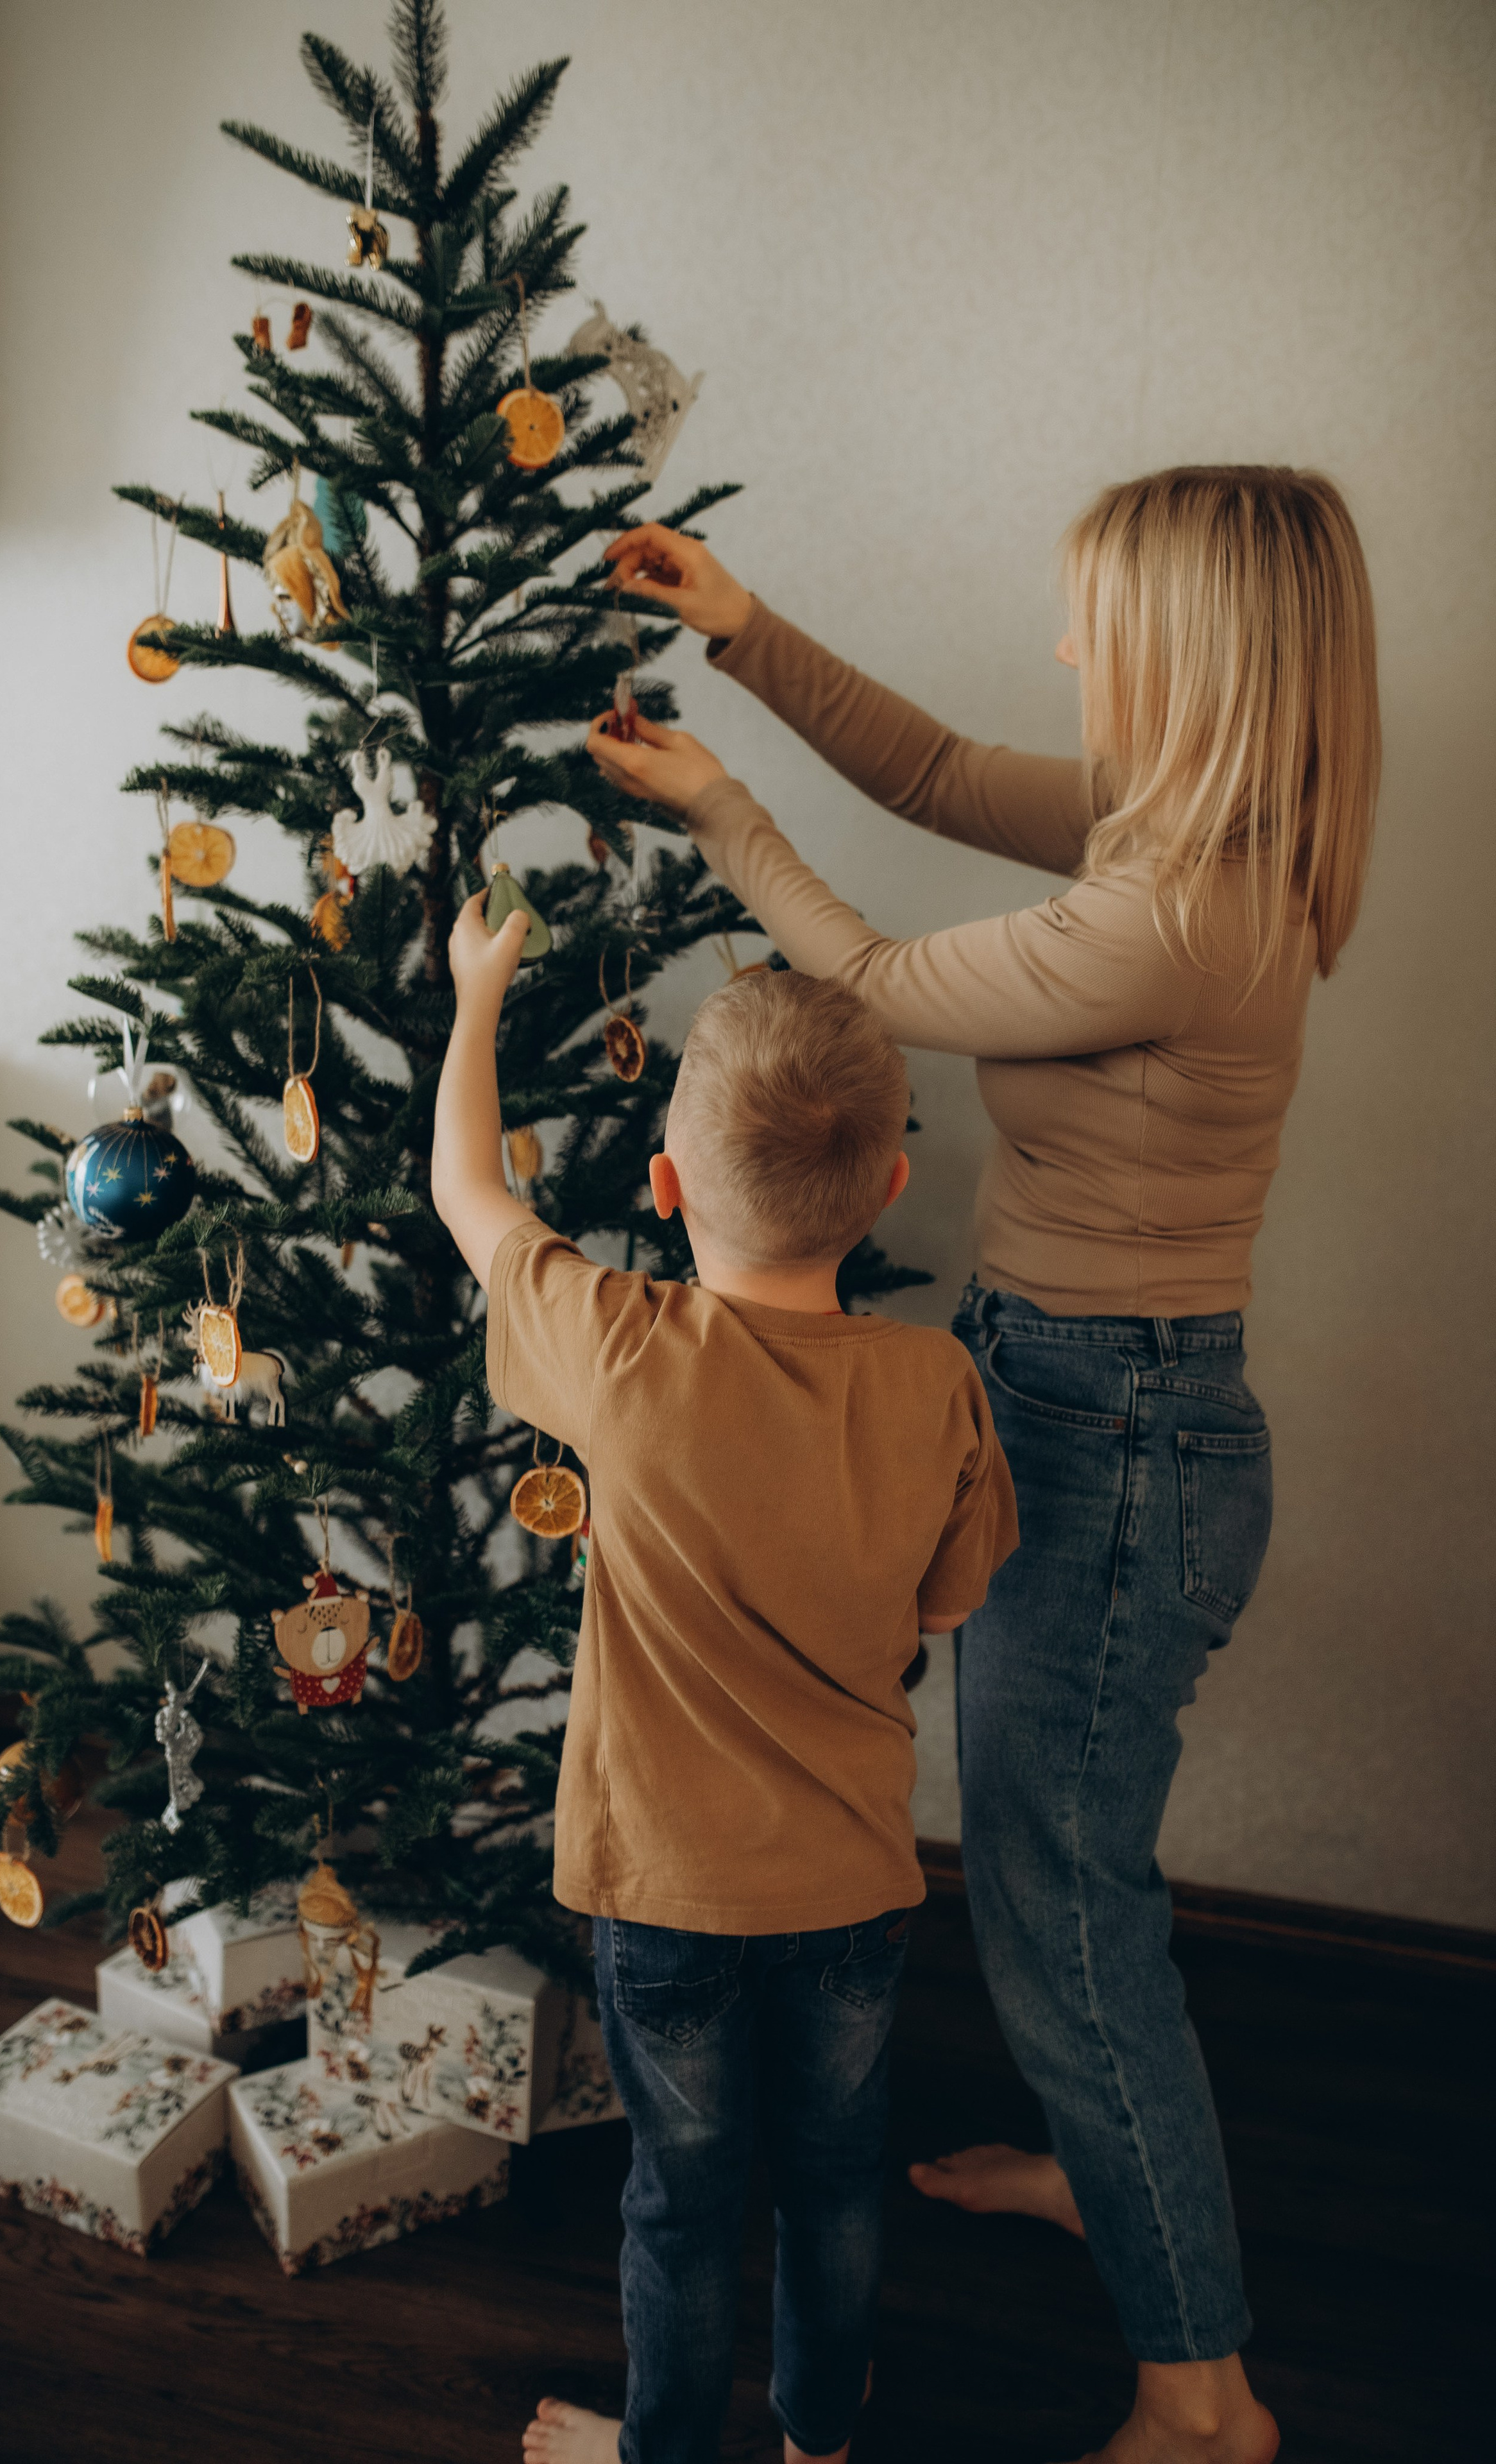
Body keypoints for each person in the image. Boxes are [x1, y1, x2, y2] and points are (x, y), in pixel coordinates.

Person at [586, 467, 1381, 2464]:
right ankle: (1092, 2156)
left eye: (1093, 614)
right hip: (1071, 1392)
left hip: (1121, 1434)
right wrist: (743, 631)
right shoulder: (1184, 822)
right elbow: (936, 767)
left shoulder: (1188, 907)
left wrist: (722, 815)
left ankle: (1201, 2393)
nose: (1063, 647)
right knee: (1057, 1882)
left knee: (1062, 1900)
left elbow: (870, 993)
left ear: (1193, 652)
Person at [431, 918, 1018, 2464]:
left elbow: (468, 1196)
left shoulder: (618, 1352)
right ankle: (818, 2438)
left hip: (664, 1894)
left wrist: (481, 989)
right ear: (892, 1187)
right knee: (835, 2180)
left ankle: (662, 2454)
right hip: (851, 1887)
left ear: (665, 1186)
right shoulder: (934, 1385)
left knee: (679, 2200)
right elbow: (948, 1604)